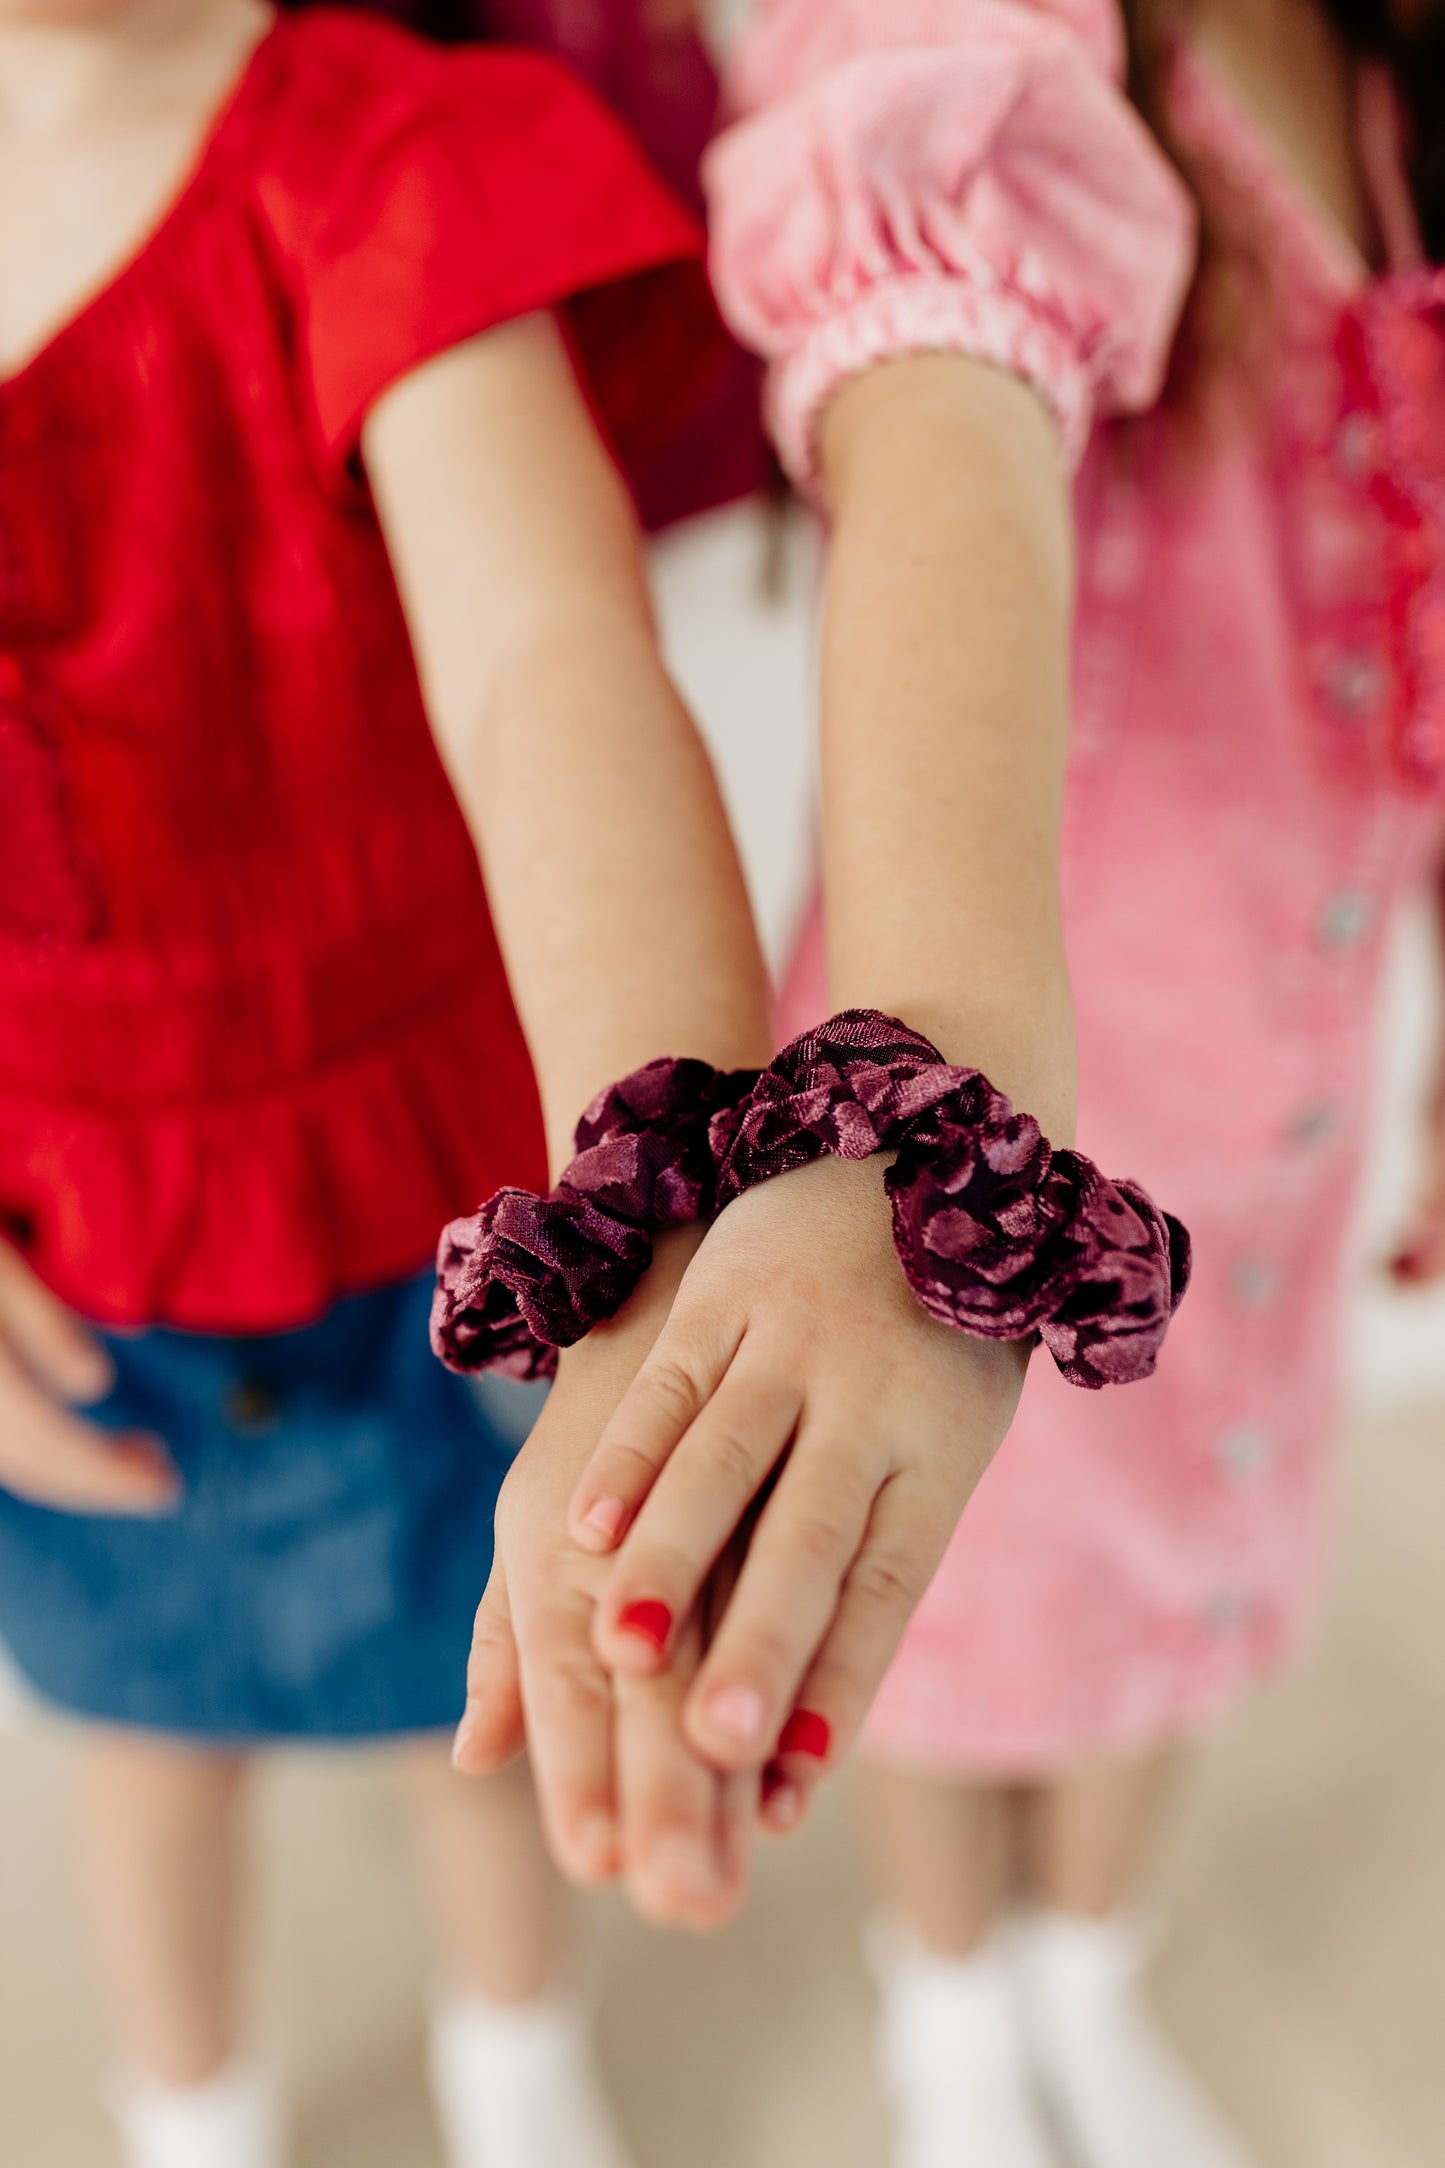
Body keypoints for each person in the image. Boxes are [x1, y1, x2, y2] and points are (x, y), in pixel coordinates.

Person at [457, 1, 1445, 2163]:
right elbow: (943, 406)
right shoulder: (1011, 57)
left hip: (1288, 1083)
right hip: (1029, 1116)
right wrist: (945, 1079)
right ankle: (954, 2017)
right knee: (956, 1595)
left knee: (1184, 1575)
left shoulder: (1385, 98)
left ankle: (1091, 1972)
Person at [0, 2, 785, 2160]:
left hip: (455, 1201)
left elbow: (549, 658)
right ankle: (190, 2108)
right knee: (146, 1745)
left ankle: (522, 2068)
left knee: (508, 1705)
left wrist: (649, 1209)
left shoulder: (376, 154)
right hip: (78, 1254)